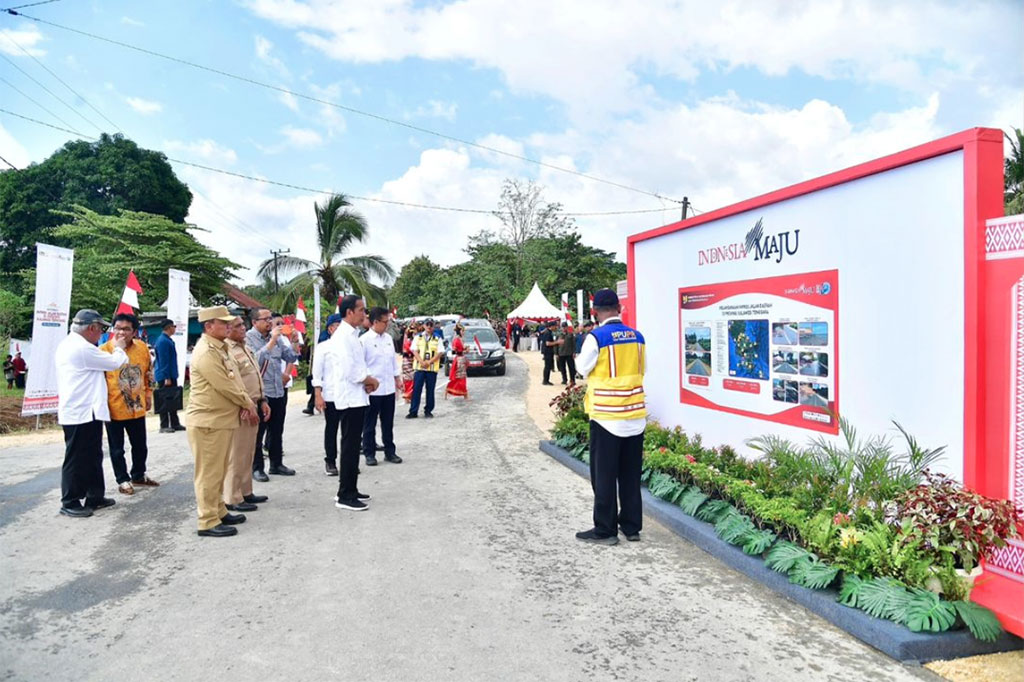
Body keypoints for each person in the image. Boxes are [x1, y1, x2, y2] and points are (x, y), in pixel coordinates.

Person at [575, 289, 647, 545]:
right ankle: (631, 527)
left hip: (607, 417)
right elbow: (642, 370)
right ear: (619, 308)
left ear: (594, 312)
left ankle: (605, 530)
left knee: (604, 475)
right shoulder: (638, 337)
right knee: (630, 476)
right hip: (635, 416)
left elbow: (582, 368)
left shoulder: (596, 337)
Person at [187, 306, 258, 538]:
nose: (229, 326)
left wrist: (245, 402)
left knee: (217, 471)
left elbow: (235, 379)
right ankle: (207, 521)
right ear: (209, 326)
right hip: (208, 420)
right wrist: (247, 403)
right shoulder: (206, 352)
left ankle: (218, 510)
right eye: (224, 323)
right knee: (209, 473)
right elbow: (225, 385)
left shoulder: (222, 347)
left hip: (220, 419)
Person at [55, 310, 129, 518]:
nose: (101, 334)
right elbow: (115, 363)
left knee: (93, 455)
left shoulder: (76, 345)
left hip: (88, 411)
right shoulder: (81, 348)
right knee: (77, 458)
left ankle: (95, 495)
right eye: (100, 329)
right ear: (91, 328)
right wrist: (119, 347)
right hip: (80, 411)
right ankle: (70, 500)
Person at [101, 313, 158, 495]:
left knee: (140, 445)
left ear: (134, 332)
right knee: (117, 449)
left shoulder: (141, 348)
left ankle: (139, 474)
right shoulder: (104, 351)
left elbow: (148, 373)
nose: (121, 332)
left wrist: (148, 394)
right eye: (117, 328)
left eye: (126, 329)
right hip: (114, 407)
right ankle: (123, 479)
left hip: (137, 407)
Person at [332, 295, 378, 511]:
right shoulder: (342, 336)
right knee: (350, 447)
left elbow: (359, 365)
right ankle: (345, 495)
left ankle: (351, 487)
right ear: (349, 312)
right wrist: (369, 380)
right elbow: (350, 370)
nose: (364, 314)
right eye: (361, 310)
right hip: (349, 399)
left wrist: (367, 381)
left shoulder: (353, 335)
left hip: (357, 395)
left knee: (352, 445)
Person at [224, 316, 271, 512]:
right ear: (227, 330)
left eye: (243, 324)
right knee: (236, 454)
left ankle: (246, 491)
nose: (243, 328)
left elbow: (255, 376)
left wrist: (263, 400)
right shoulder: (227, 351)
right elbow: (232, 383)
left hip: (255, 403)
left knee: (248, 452)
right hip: (241, 408)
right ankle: (232, 497)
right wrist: (245, 405)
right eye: (238, 326)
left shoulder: (244, 347)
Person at [246, 309, 299, 480]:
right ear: (255, 322)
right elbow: (255, 361)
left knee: (277, 430)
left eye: (271, 319)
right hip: (261, 393)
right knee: (257, 432)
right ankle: (257, 468)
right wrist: (273, 341)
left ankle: (276, 464)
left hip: (278, 390)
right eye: (266, 319)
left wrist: (294, 342)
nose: (270, 322)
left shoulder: (274, 338)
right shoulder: (248, 338)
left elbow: (290, 356)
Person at [360, 306, 403, 466]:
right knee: (369, 424)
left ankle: (390, 452)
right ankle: (369, 453)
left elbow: (392, 361)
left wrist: (397, 378)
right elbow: (361, 365)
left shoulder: (388, 339)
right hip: (372, 390)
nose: (387, 325)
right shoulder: (364, 341)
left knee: (388, 423)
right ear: (375, 321)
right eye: (385, 322)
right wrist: (366, 382)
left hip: (388, 388)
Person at [312, 313, 343, 475]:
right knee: (332, 429)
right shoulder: (323, 347)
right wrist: (318, 395)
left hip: (348, 395)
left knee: (349, 431)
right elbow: (317, 374)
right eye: (337, 326)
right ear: (330, 329)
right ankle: (330, 461)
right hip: (331, 395)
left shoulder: (352, 345)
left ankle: (348, 461)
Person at [407, 319, 443, 419]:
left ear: (434, 326)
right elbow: (414, 350)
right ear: (423, 325)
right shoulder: (418, 337)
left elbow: (440, 352)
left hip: (431, 368)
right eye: (427, 324)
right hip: (420, 367)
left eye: (431, 325)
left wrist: (429, 362)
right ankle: (413, 411)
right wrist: (422, 362)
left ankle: (428, 411)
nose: (429, 327)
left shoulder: (437, 338)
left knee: (430, 390)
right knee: (416, 390)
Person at [153, 319, 184, 433]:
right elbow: (164, 360)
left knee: (173, 399)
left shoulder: (167, 340)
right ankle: (164, 424)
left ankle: (175, 422)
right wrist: (166, 377)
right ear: (169, 327)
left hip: (170, 374)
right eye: (174, 326)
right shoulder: (163, 341)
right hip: (165, 375)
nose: (174, 329)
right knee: (164, 399)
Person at [445, 325, 468, 400]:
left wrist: (465, 349)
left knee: (462, 377)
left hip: (462, 359)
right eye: (462, 331)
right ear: (460, 331)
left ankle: (464, 393)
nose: (464, 332)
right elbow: (454, 351)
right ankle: (464, 394)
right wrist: (464, 350)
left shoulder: (461, 339)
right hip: (459, 360)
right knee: (460, 377)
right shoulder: (456, 340)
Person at [556, 321, 577, 386]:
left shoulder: (570, 334)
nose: (564, 328)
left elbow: (573, 344)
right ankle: (564, 380)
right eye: (563, 327)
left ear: (567, 327)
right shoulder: (558, 335)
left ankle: (572, 380)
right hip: (561, 353)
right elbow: (556, 345)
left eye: (565, 327)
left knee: (571, 367)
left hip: (569, 353)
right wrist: (556, 353)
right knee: (562, 368)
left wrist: (574, 352)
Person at [538, 320, 559, 385]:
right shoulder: (547, 333)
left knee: (548, 366)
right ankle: (545, 381)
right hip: (547, 352)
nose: (556, 327)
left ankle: (546, 380)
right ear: (552, 326)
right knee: (547, 366)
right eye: (555, 326)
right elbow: (548, 343)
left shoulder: (549, 332)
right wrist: (557, 342)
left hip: (549, 351)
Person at [400, 327, 416, 403]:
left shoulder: (411, 341)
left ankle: (409, 395)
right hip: (408, 360)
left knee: (410, 379)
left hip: (411, 360)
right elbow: (411, 350)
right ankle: (408, 396)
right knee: (409, 379)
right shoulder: (409, 341)